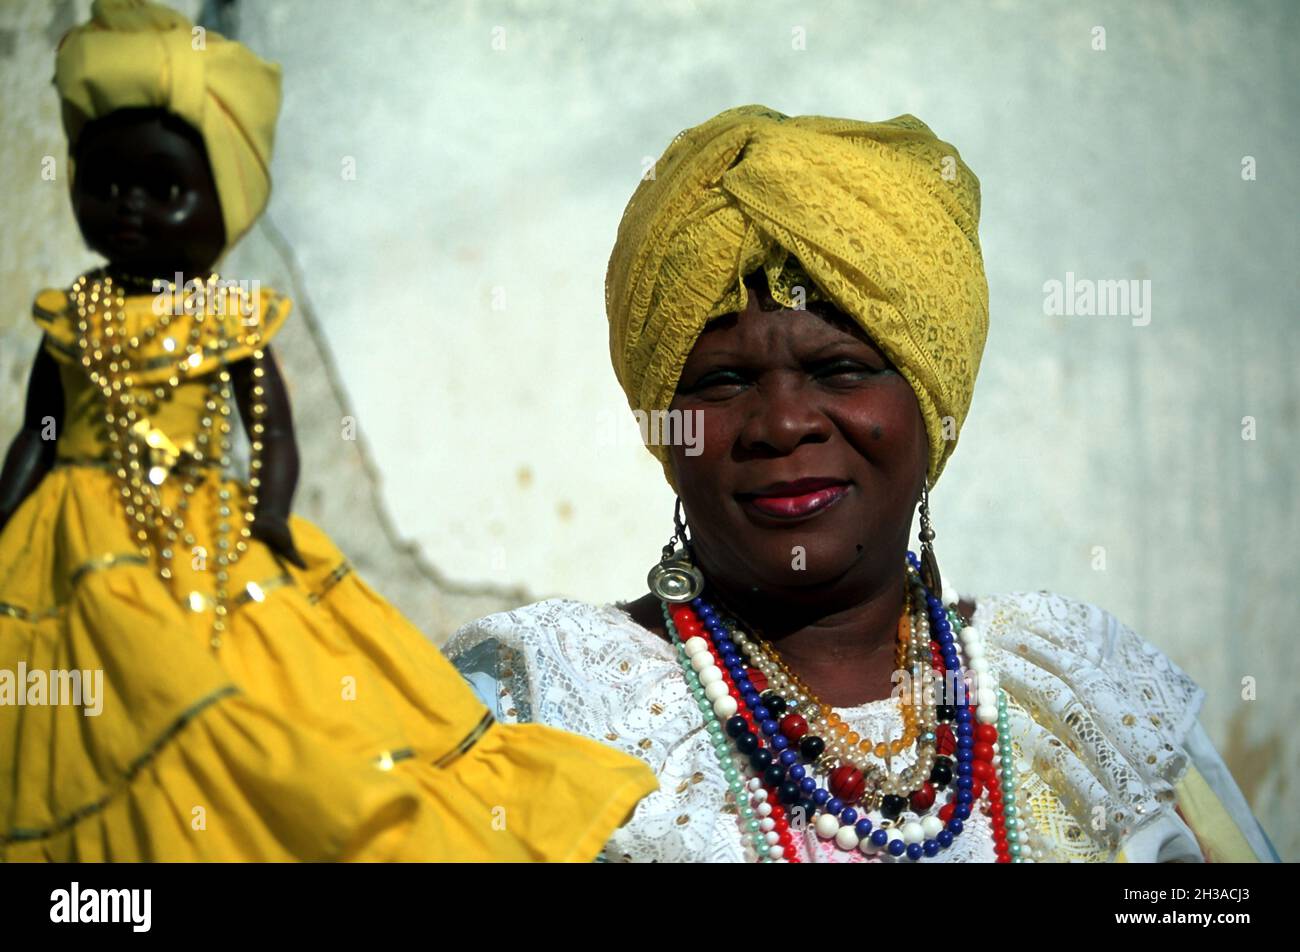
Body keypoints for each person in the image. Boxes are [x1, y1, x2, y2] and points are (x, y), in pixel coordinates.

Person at [448, 104, 1279, 863]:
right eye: (723, 383)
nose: (782, 424)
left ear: (929, 401)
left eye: (840, 368)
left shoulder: (1081, 696)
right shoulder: (549, 702)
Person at [0, 0, 655, 862]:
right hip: (63, 542)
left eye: (163, 190)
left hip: (202, 540)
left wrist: (269, 518)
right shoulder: (70, 319)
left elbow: (271, 433)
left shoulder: (227, 321)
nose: (127, 210)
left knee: (218, 694)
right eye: (103, 185)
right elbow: (38, 436)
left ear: (223, 203)